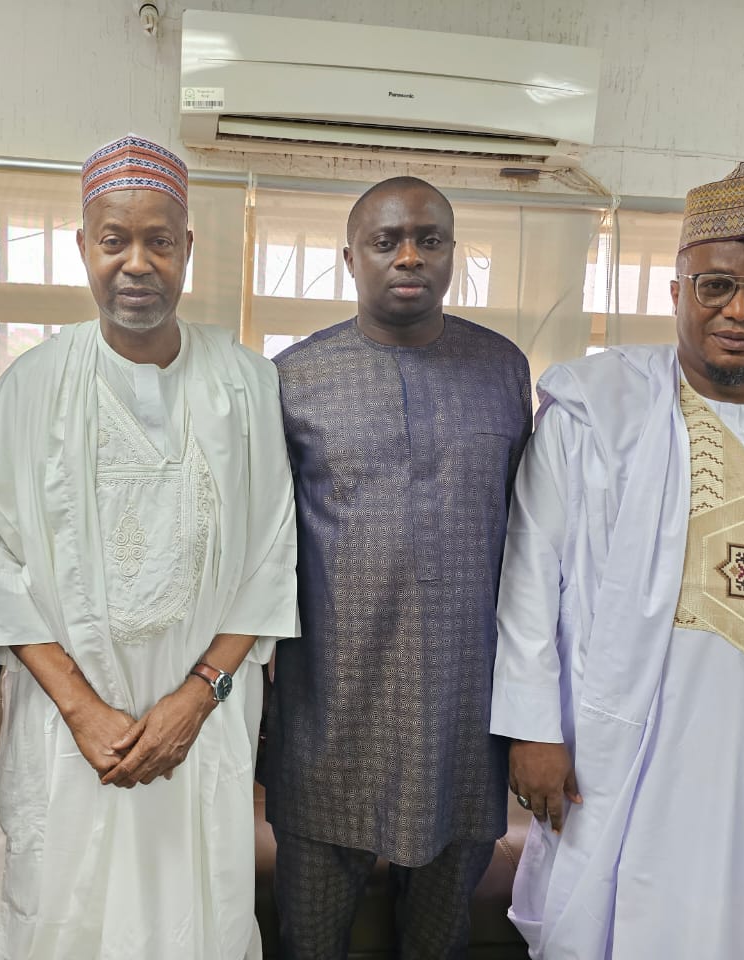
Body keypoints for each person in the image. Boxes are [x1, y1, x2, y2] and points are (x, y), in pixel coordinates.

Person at [492, 162, 744, 959]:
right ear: (676, 289)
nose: (739, 310)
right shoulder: (594, 411)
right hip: (628, 738)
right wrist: (530, 731)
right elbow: (529, 578)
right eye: (715, 285)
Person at [0, 134, 298, 960]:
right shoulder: (30, 384)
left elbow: (273, 549)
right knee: (63, 914)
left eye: (159, 240)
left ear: (188, 250)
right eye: (114, 240)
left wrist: (197, 697)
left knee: (198, 917)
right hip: (72, 735)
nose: (136, 263)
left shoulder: (248, 382)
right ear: (84, 248)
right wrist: (82, 710)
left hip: (203, 726)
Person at [265, 176, 532, 959]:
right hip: (328, 712)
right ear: (351, 257)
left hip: (463, 715)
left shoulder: (501, 369)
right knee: (309, 939)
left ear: (453, 254)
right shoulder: (293, 376)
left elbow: (531, 536)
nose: (409, 255)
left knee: (438, 940)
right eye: (386, 241)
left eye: (430, 239)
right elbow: (262, 544)